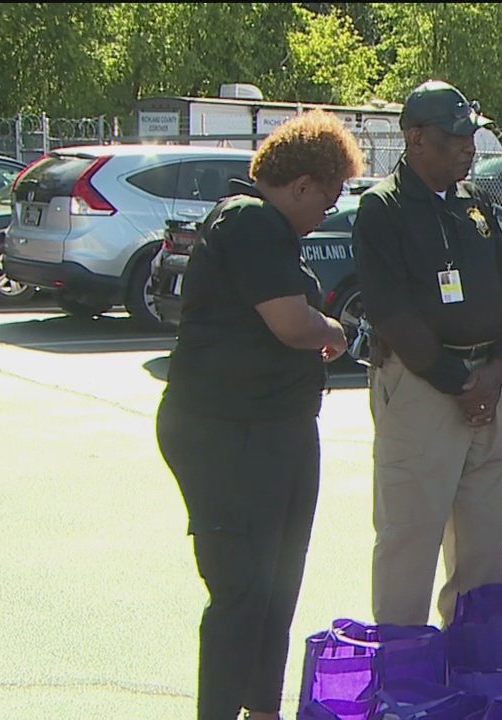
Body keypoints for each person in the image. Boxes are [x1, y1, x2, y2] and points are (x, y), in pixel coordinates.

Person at [156, 110, 363, 720]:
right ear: (301, 184)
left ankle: (263, 708)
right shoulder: (250, 220)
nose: (331, 208)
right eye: (328, 195)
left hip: (277, 428)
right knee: (242, 590)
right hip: (226, 432)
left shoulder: (269, 229)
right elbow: (292, 324)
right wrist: (334, 331)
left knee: (276, 585)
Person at [354, 80, 502, 628]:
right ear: (417, 138)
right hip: (425, 386)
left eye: (472, 134)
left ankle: (471, 660)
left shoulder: (475, 204)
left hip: (490, 385)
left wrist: (498, 368)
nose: (469, 146)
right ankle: (403, 664)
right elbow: (390, 311)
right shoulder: (384, 207)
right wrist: (459, 382)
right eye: (456, 136)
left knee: (482, 544)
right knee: (410, 537)